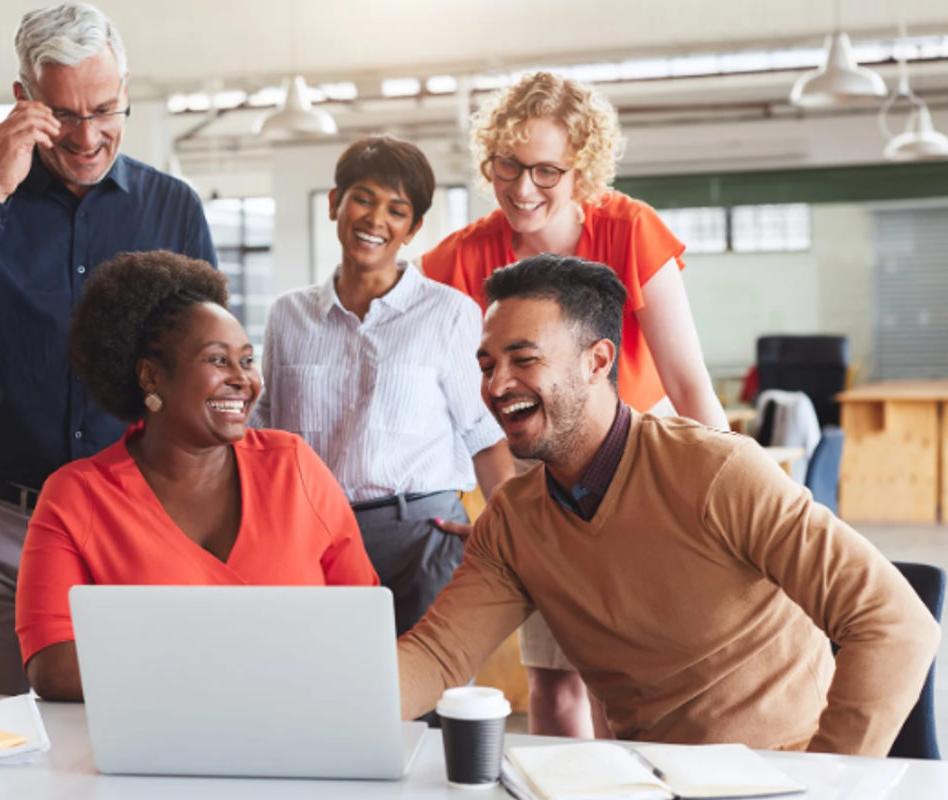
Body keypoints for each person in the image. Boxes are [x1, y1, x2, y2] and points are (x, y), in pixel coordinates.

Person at [398, 254, 940, 756]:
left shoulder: (718, 472)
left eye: (523, 359)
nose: (496, 385)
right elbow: (438, 656)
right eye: (487, 365)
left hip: (783, 773)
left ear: (598, 361)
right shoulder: (512, 522)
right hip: (650, 778)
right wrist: (327, 708)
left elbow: (896, 624)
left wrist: (829, 781)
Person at [0, 3, 215, 696]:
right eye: (63, 115)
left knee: (135, 729)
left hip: (131, 521)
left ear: (126, 88)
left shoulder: (172, 209)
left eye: (105, 109)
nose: (88, 136)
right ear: (23, 101)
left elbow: (205, 369)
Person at [421, 71, 728, 736]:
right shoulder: (457, 257)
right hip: (530, 472)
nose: (522, 188)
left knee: (622, 681)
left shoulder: (631, 232)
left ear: (582, 166)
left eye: (546, 170)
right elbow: (434, 390)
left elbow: (689, 386)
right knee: (552, 686)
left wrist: (735, 493)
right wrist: (476, 499)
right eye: (507, 164)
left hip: (633, 462)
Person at [16, 251, 379, 701]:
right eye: (217, 360)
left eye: (246, 360)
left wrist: (165, 659)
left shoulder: (293, 466)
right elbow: (53, 665)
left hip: (299, 729)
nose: (242, 380)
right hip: (149, 751)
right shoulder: (77, 495)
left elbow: (363, 621)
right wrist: (254, 662)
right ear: (151, 377)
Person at [250, 135, 515, 643]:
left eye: (397, 210)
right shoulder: (288, 315)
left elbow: (483, 434)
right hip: (313, 539)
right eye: (364, 199)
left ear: (413, 229)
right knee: (324, 694)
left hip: (421, 538)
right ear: (335, 204)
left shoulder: (449, 313)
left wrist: (505, 533)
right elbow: (264, 433)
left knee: (430, 703)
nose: (376, 220)